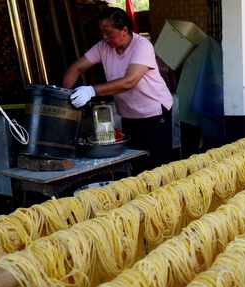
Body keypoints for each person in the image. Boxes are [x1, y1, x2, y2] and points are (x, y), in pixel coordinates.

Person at [62, 7, 173, 172]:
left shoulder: (142, 46)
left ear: (124, 30)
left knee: (158, 168)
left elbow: (129, 81)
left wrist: (91, 91)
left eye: (108, 33)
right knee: (137, 167)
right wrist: (64, 97)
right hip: (129, 116)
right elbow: (77, 68)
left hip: (155, 114)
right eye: (102, 33)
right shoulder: (103, 47)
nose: (104, 38)